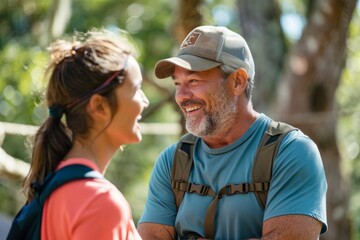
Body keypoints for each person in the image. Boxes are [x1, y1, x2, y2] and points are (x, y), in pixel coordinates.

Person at [137, 25, 327, 239]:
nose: (181, 96)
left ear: (237, 81)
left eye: (193, 81)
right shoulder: (172, 162)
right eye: (178, 84)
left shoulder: (291, 152)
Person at [23, 29, 149, 239]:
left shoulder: (54, 186)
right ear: (99, 106)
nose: (145, 101)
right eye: (136, 89)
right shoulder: (100, 202)